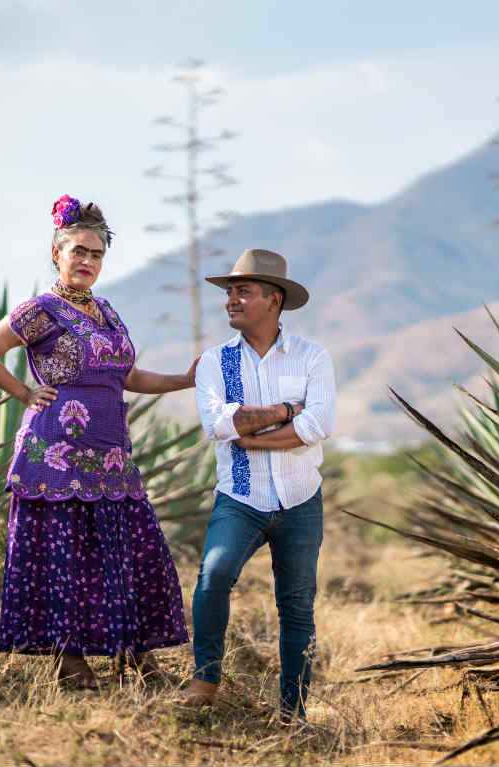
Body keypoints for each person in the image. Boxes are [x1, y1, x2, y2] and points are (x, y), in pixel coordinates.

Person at [0, 195, 194, 689]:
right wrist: (25, 392)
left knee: (127, 552)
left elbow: (127, 374)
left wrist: (181, 380)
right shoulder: (39, 310)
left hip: (112, 455)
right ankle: (70, 662)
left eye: (96, 254)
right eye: (78, 251)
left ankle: (135, 654)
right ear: (57, 253)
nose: (87, 261)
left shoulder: (106, 311)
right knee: (64, 558)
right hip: (56, 455)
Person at [182, 248, 336, 720]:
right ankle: (206, 677)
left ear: (274, 299)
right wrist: (288, 410)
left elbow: (320, 424)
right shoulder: (214, 362)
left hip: (300, 499)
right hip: (240, 498)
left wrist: (258, 439)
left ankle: (294, 712)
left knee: (296, 605)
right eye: (229, 292)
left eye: (242, 291)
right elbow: (220, 425)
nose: (231, 299)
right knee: (214, 575)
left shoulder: (313, 357)